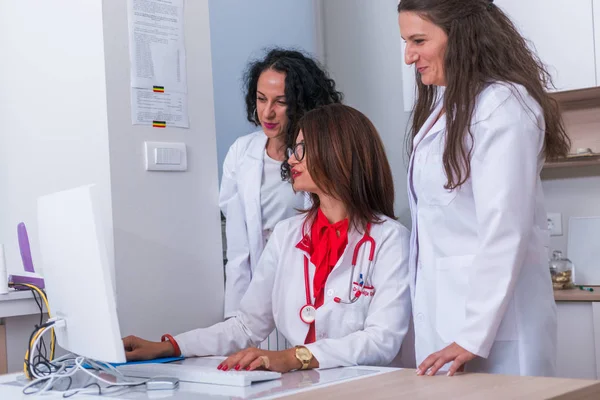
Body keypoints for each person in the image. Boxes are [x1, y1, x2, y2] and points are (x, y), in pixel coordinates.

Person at [123, 104, 412, 372]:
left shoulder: (390, 240)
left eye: (302, 149)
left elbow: (381, 340)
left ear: (337, 152)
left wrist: (294, 357)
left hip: (367, 386)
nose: (291, 158)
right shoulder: (287, 234)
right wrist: (170, 346)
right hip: (304, 386)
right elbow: (247, 327)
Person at [397, 0, 570, 377]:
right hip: (449, 321)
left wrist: (472, 336)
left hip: (496, 331)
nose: (409, 56)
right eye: (406, 42)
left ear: (459, 35)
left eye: (418, 40)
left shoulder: (503, 105)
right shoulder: (448, 107)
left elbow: (504, 228)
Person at [219, 49, 343, 350]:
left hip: (310, 293)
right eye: (261, 99)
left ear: (301, 104)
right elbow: (238, 250)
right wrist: (233, 319)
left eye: (281, 102)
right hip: (258, 299)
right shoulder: (241, 152)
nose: (267, 112)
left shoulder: (321, 154)